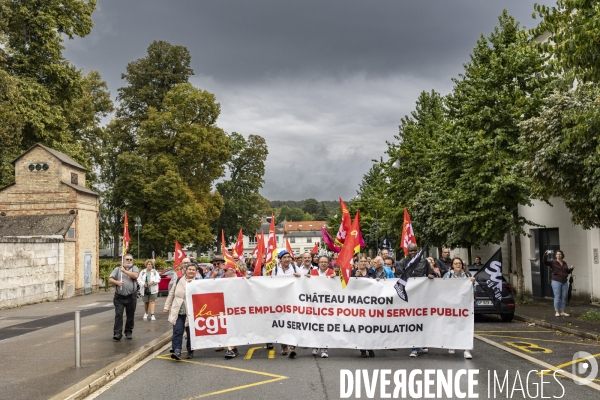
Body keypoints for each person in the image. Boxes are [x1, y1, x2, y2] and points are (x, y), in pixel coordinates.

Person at [395, 243, 435, 357]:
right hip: (408, 296)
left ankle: (420, 343)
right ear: (408, 251)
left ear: (417, 251)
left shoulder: (424, 262)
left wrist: (431, 276)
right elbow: (398, 276)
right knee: (412, 321)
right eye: (411, 251)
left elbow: (430, 274)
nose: (413, 253)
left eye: (415, 251)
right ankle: (415, 347)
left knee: (421, 320)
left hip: (422, 296)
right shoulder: (402, 262)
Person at [163, 263, 198, 360]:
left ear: (196, 272)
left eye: (193, 270)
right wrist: (166, 306)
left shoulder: (198, 283)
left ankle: (190, 351)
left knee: (190, 333)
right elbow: (171, 294)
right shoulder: (179, 280)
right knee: (177, 331)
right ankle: (177, 351)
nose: (191, 271)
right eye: (189, 269)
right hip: (178, 311)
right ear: (185, 270)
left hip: (191, 313)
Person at [443, 257, 476, 359]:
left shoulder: (467, 275)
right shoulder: (448, 275)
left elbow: (473, 289)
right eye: (456, 263)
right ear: (452, 265)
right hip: (451, 305)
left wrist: (473, 283)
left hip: (463, 306)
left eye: (459, 263)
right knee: (452, 325)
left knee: (464, 326)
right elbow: (442, 288)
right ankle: (451, 345)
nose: (458, 265)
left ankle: (466, 349)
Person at [273, 249, 301, 358]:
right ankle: (283, 346)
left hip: (293, 300)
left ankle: (292, 348)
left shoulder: (295, 267)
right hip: (280, 300)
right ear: (280, 259)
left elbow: (303, 280)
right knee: (282, 323)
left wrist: (299, 276)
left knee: (292, 323)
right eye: (284, 257)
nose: (287, 259)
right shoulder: (275, 269)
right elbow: (271, 283)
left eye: (288, 257)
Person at [307, 255, 336, 358]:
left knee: (325, 327)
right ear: (318, 263)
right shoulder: (312, 272)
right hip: (315, 304)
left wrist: (335, 278)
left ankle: (324, 348)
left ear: (328, 263)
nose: (323, 263)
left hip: (327, 305)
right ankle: (315, 345)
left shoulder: (333, 273)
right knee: (315, 326)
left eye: (325, 262)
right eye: (321, 262)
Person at [108, 254, 139, 341]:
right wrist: (117, 282)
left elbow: (135, 276)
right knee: (119, 314)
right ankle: (117, 333)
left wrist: (124, 271)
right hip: (119, 297)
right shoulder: (117, 269)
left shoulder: (134, 268)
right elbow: (110, 279)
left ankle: (128, 331)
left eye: (130, 260)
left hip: (131, 296)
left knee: (130, 315)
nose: (129, 261)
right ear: (123, 260)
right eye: (127, 259)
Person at [353, 254, 377, 358]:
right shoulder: (354, 272)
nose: (363, 263)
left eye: (364, 261)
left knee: (369, 327)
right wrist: (355, 277)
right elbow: (350, 287)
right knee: (361, 327)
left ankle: (370, 347)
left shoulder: (372, 272)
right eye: (360, 261)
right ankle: (362, 349)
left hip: (370, 303)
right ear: (357, 263)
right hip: (359, 304)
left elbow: (377, 284)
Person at [543, 250, 574, 317]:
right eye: (557, 254)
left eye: (560, 254)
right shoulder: (553, 262)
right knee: (557, 296)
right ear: (556, 255)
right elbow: (545, 262)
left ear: (562, 255)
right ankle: (557, 311)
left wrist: (571, 269)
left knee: (563, 297)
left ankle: (562, 311)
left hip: (564, 282)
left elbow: (566, 272)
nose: (559, 255)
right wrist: (545, 255)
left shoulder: (564, 263)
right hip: (556, 281)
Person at [223, 263, 243, 359]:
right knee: (228, 328)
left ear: (233, 270)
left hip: (240, 309)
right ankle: (230, 349)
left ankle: (233, 348)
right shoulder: (221, 280)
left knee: (236, 328)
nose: (224, 272)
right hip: (226, 309)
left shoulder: (242, 279)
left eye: (226, 270)